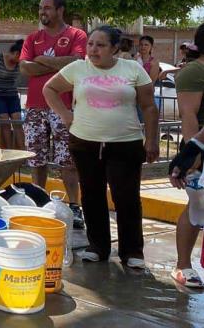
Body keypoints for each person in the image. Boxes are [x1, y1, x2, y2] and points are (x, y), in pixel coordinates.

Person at [43, 26, 158, 267]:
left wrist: (152, 139)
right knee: (92, 194)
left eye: (100, 45)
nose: (93, 49)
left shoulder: (133, 69)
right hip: (85, 143)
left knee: (125, 197)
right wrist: (65, 114)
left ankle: (132, 251)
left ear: (115, 48)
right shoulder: (78, 67)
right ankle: (97, 246)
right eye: (90, 44)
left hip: (125, 143)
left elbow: (148, 107)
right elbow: (50, 89)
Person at [19, 0, 88, 228]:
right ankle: (40, 203)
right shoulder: (32, 38)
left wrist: (42, 60)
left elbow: (77, 63)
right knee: (37, 160)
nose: (42, 12)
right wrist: (56, 62)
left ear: (60, 10)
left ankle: (75, 208)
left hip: (64, 108)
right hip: (35, 108)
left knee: (68, 161)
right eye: (40, 8)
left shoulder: (76, 35)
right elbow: (25, 68)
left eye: (47, 8)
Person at [168, 25, 204, 288]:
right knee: (196, 207)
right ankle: (183, 265)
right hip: (200, 149)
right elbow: (188, 115)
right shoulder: (195, 72)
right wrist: (194, 153)